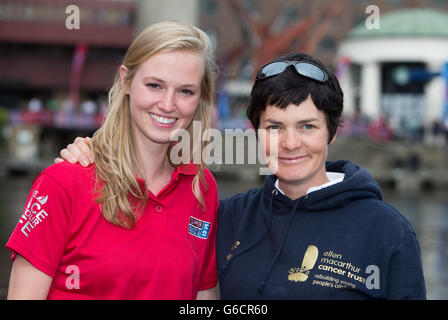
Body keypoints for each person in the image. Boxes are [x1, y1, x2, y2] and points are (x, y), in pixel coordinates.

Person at [57, 53, 426, 299]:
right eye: (275, 127)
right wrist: (97, 156)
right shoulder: (226, 217)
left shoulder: (387, 232)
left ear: (332, 132)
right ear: (254, 133)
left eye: (308, 126)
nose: (291, 143)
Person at [6, 21, 219, 300]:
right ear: (126, 80)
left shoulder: (201, 188)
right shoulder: (63, 184)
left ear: (200, 97)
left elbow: (204, 295)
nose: (168, 104)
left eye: (185, 91)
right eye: (155, 85)